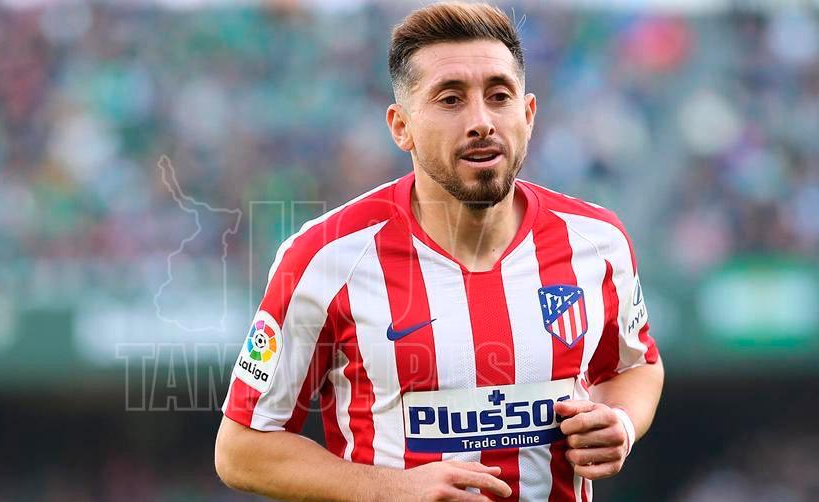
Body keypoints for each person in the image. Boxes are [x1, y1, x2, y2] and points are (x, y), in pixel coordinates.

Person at [214, 2, 663, 501]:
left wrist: (621, 422)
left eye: (499, 96)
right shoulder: (325, 257)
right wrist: (392, 489)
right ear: (400, 126)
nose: (481, 121)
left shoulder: (597, 241)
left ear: (528, 114)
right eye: (450, 99)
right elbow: (241, 449)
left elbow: (636, 364)